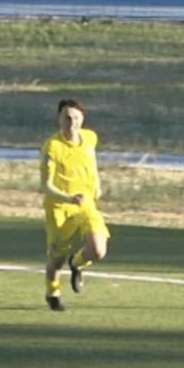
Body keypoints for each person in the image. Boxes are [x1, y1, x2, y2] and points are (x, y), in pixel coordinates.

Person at [40, 98, 110, 311]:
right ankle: (52, 292)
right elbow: (46, 185)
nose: (72, 123)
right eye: (67, 118)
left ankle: (77, 263)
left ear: (83, 119)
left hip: (85, 204)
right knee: (56, 258)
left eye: (76, 118)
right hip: (60, 207)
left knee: (98, 250)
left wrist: (97, 183)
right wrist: (67, 198)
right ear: (59, 119)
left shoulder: (90, 138)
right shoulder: (52, 146)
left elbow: (92, 161)